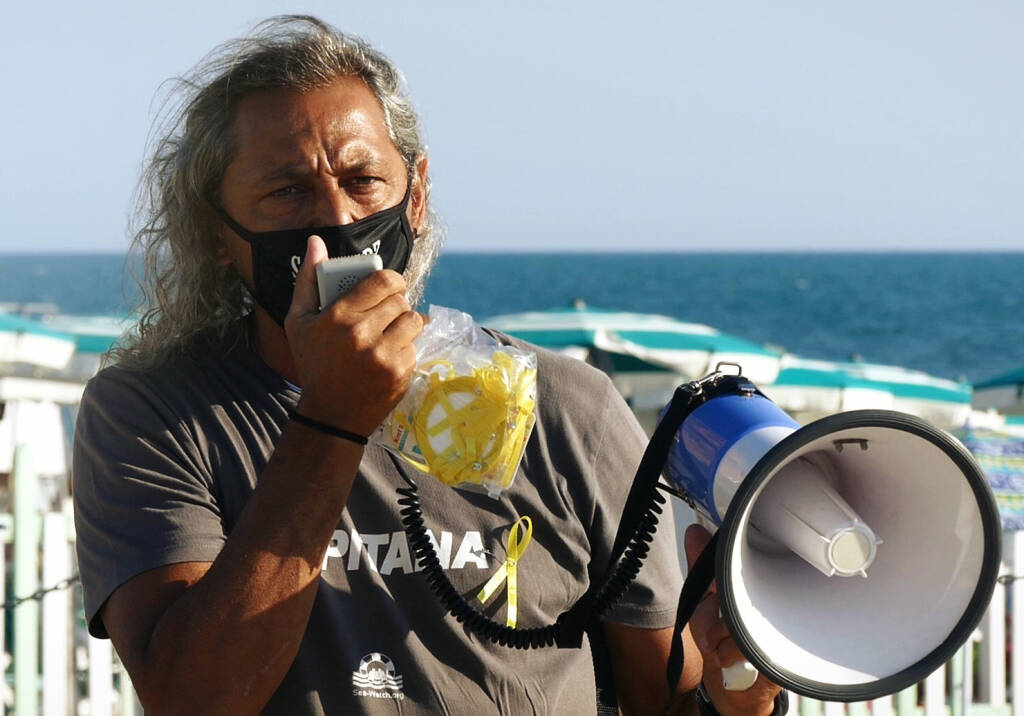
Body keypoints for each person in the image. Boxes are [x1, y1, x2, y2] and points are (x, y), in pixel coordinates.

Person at [72, 15, 782, 715]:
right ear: (217, 234)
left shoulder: (567, 407)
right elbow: (193, 697)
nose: (336, 218)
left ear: (415, 196)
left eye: (363, 180)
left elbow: (665, 694)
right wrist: (333, 418)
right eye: (287, 191)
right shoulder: (154, 413)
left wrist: (740, 693)